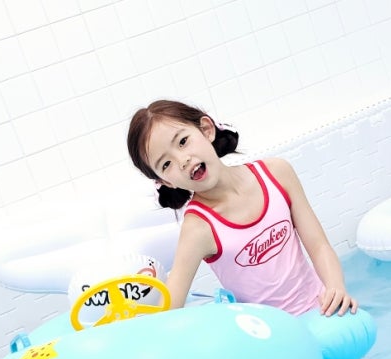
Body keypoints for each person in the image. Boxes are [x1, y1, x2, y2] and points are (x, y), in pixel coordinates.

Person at [126, 99, 357, 318]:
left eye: (183, 141)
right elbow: (169, 309)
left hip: (322, 309)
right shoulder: (198, 228)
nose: (182, 160)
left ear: (206, 129)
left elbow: (318, 245)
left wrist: (335, 288)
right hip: (273, 335)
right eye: (166, 164)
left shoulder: (276, 173)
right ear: (166, 182)